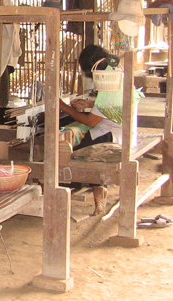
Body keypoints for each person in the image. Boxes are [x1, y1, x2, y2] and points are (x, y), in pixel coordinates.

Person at [59, 45, 122, 216]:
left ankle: (63, 193)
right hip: (118, 130)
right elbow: (112, 105)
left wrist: (63, 107)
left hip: (112, 135)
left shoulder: (108, 82)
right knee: (86, 144)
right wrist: (89, 104)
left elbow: (90, 121)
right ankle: (99, 196)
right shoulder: (115, 73)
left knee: (72, 156)